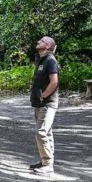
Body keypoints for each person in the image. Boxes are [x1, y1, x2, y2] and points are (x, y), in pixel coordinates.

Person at [29, 36, 59, 175]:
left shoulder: (50, 61)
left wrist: (44, 95)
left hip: (47, 103)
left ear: (47, 46)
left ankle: (48, 165)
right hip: (39, 103)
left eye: (41, 41)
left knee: (40, 132)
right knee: (47, 132)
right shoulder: (41, 59)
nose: (38, 42)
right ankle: (45, 161)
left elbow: (54, 82)